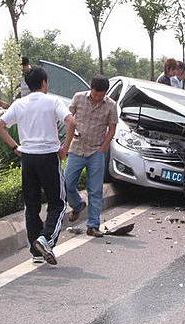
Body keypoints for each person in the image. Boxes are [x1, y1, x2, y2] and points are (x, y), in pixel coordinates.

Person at [0, 66, 75, 265]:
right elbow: (71, 122)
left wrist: (15, 147)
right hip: (48, 157)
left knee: (31, 205)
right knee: (58, 203)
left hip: (28, 158)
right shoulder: (52, 101)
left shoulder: (19, 104)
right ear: (44, 83)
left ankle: (36, 252)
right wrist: (65, 148)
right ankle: (45, 239)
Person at [65, 75, 118, 238]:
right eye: (95, 94)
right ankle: (78, 204)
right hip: (76, 148)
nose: (97, 98)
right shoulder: (78, 98)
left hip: (96, 151)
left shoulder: (110, 105)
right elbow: (68, 118)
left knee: (95, 190)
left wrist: (103, 148)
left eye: (101, 95)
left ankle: (93, 225)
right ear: (91, 88)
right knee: (66, 183)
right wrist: (68, 137)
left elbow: (112, 129)